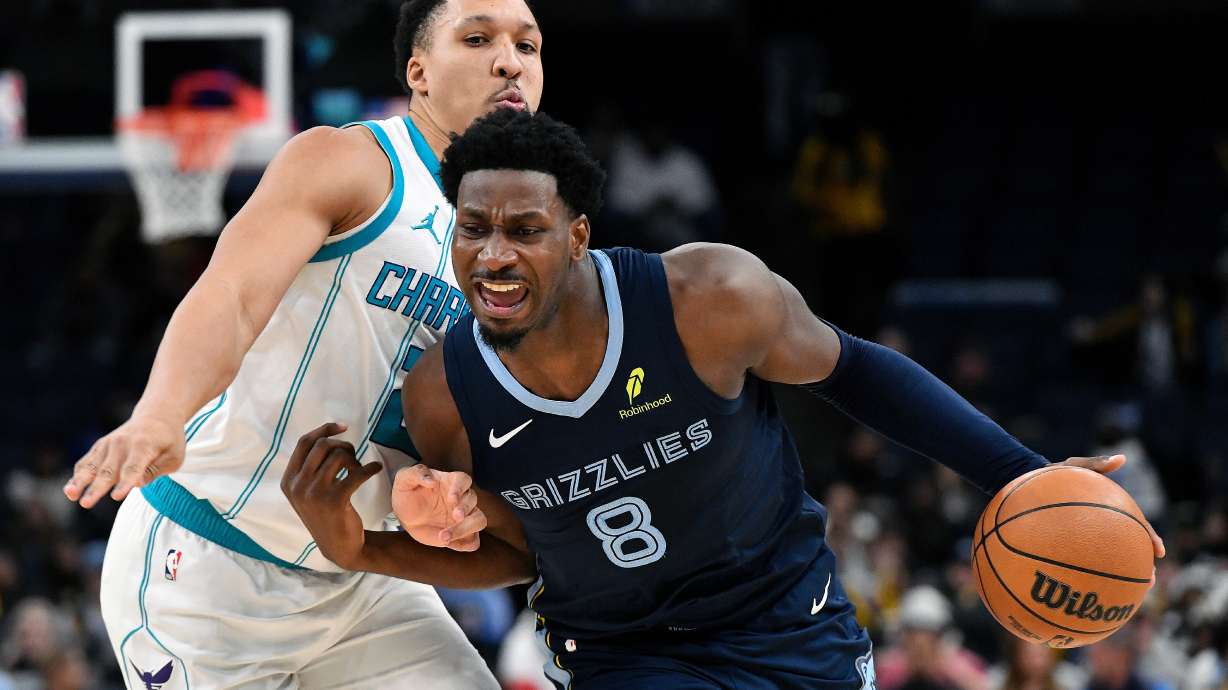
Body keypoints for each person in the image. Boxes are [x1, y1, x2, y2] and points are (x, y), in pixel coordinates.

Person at [283, 109, 1165, 689]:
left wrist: (1020, 475)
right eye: (472, 230)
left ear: (580, 235)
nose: (493, 255)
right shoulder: (446, 394)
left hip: (783, 619)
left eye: (525, 230)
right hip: (620, 653)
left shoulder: (707, 300)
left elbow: (853, 367)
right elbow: (518, 556)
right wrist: (365, 549)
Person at [61, 0, 543, 686]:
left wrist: (456, 496)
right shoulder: (352, 164)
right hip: (208, 571)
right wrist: (160, 414)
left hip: (363, 576)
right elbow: (232, 296)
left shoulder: (532, 249)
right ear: (419, 72)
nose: (510, 60)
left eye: (528, 46)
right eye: (477, 38)